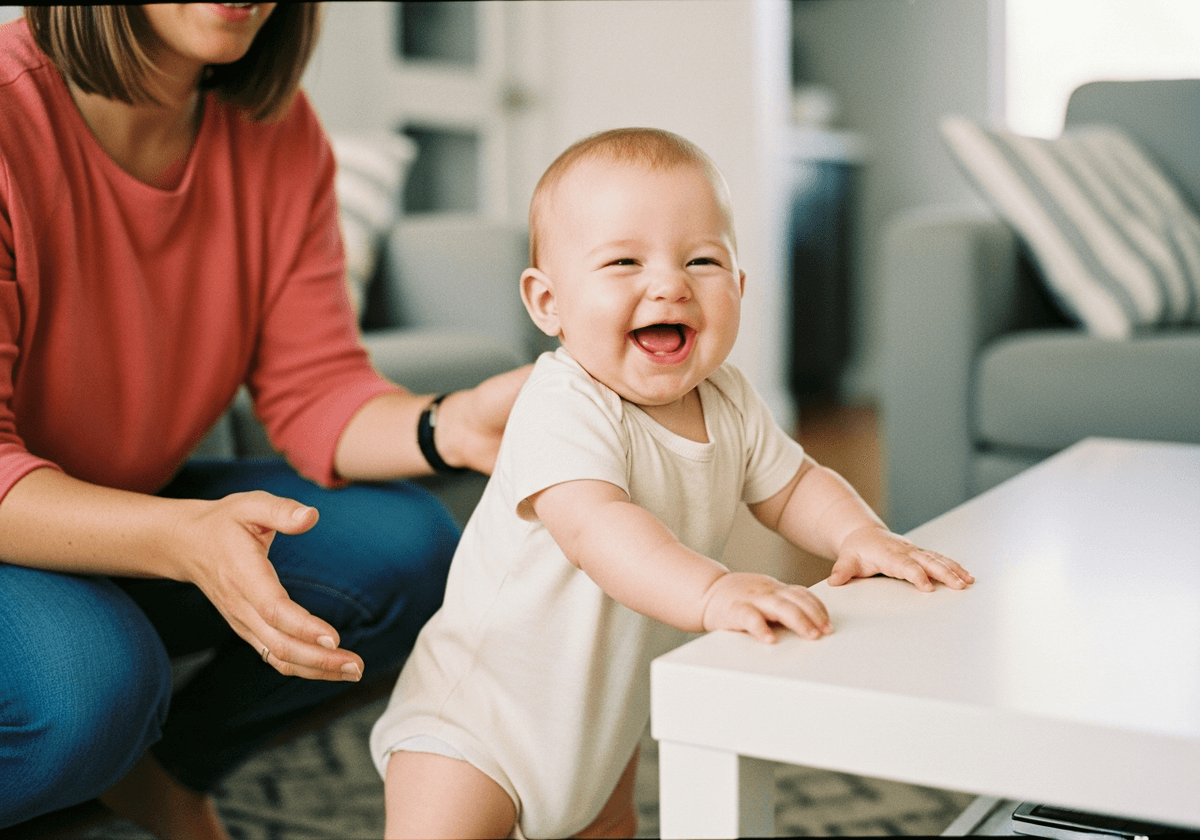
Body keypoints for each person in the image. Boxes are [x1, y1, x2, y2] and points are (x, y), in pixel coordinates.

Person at [0, 5, 527, 840]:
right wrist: (184, 537)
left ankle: (161, 775)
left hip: (129, 502)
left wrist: (451, 426)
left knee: (413, 549)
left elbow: (316, 386)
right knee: (90, 686)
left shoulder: (275, 130)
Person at [370, 127, 976, 839]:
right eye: (624, 261)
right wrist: (715, 589)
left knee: (608, 826)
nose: (670, 283)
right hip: (477, 721)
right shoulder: (563, 401)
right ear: (548, 303)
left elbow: (793, 483)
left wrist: (859, 533)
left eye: (702, 260)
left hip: (601, 721)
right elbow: (596, 526)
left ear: (740, 287)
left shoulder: (729, 398)